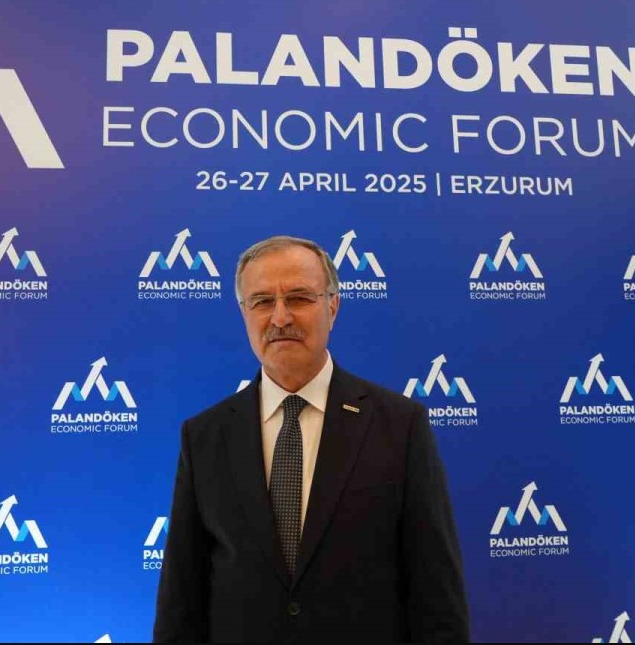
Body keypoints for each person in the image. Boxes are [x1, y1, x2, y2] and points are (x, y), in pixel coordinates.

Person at [153, 235, 470, 643]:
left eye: (299, 298)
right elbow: (181, 600)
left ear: (333, 307)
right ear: (244, 313)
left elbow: (436, 594)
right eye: (262, 301)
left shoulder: (400, 425)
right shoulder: (204, 436)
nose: (280, 317)